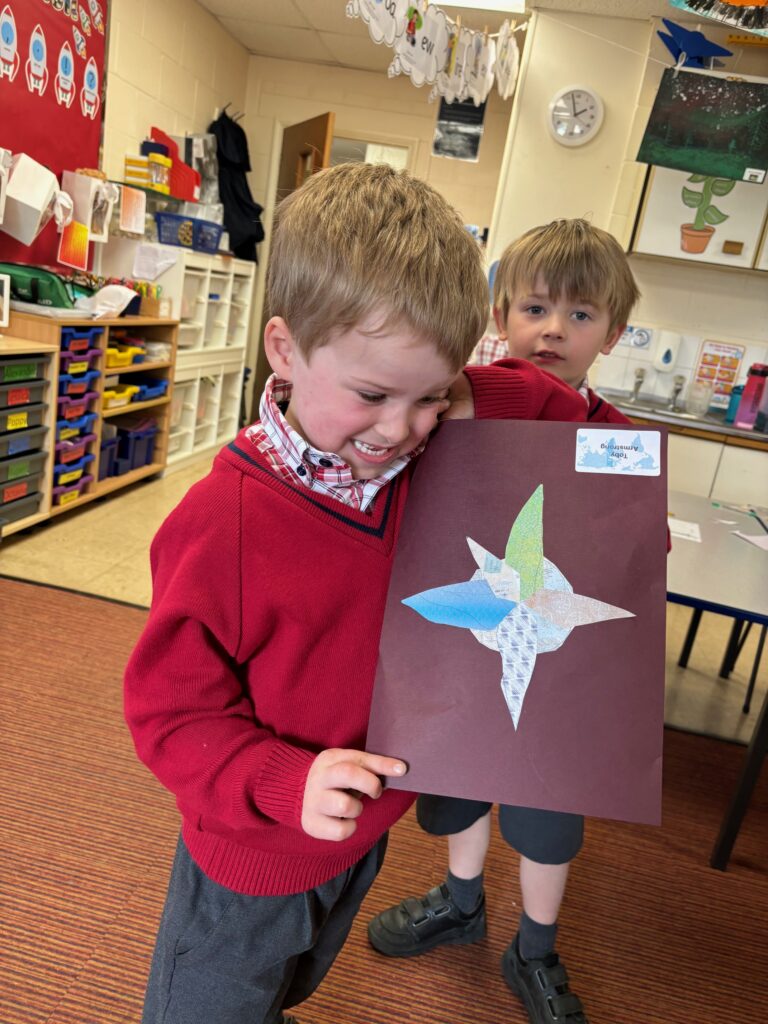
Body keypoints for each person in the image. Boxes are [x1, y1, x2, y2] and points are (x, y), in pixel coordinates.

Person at [124, 165, 591, 1024]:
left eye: (431, 396)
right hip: (251, 853)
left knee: (295, 986)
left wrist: (628, 499)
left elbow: (566, 407)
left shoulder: (428, 445)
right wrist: (277, 780)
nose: (400, 428)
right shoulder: (223, 520)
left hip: (362, 829)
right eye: (373, 395)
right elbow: (167, 711)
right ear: (284, 351)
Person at [367, 218, 641, 1024]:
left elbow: (637, 542)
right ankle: (460, 903)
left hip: (556, 664)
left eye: (581, 315)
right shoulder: (462, 407)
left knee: (547, 810)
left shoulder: (613, 438)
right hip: (463, 647)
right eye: (535, 308)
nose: (553, 328)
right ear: (499, 315)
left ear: (614, 333)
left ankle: (535, 946)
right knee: (460, 786)